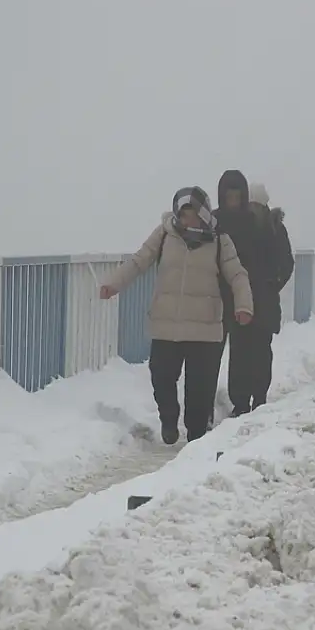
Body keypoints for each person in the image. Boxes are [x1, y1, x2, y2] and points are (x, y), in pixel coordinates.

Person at [99, 187, 254, 444]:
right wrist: (113, 284)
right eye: (182, 215)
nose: (186, 220)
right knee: (161, 375)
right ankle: (168, 419)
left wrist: (243, 306)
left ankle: (195, 438)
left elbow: (237, 275)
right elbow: (139, 261)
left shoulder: (219, 241)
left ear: (203, 214)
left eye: (192, 214)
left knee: (199, 388)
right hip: (166, 324)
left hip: (204, 327)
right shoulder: (164, 235)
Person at [212, 170, 294, 416]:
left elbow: (285, 263)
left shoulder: (273, 228)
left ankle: (250, 401)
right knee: (247, 351)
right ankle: (248, 401)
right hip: (247, 300)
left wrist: (270, 285)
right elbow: (285, 264)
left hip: (259, 300)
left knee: (251, 352)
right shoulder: (257, 226)